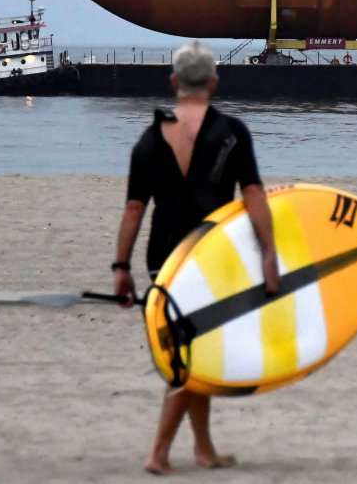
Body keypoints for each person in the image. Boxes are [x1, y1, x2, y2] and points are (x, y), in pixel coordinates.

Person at [111, 40, 280, 475]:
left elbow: (134, 208)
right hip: (208, 257)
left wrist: (121, 268)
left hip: (162, 257)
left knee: (194, 349)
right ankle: (159, 452)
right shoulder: (231, 132)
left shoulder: (149, 140)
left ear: (173, 82)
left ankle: (203, 449)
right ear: (214, 83)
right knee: (194, 355)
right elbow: (255, 195)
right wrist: (269, 254)